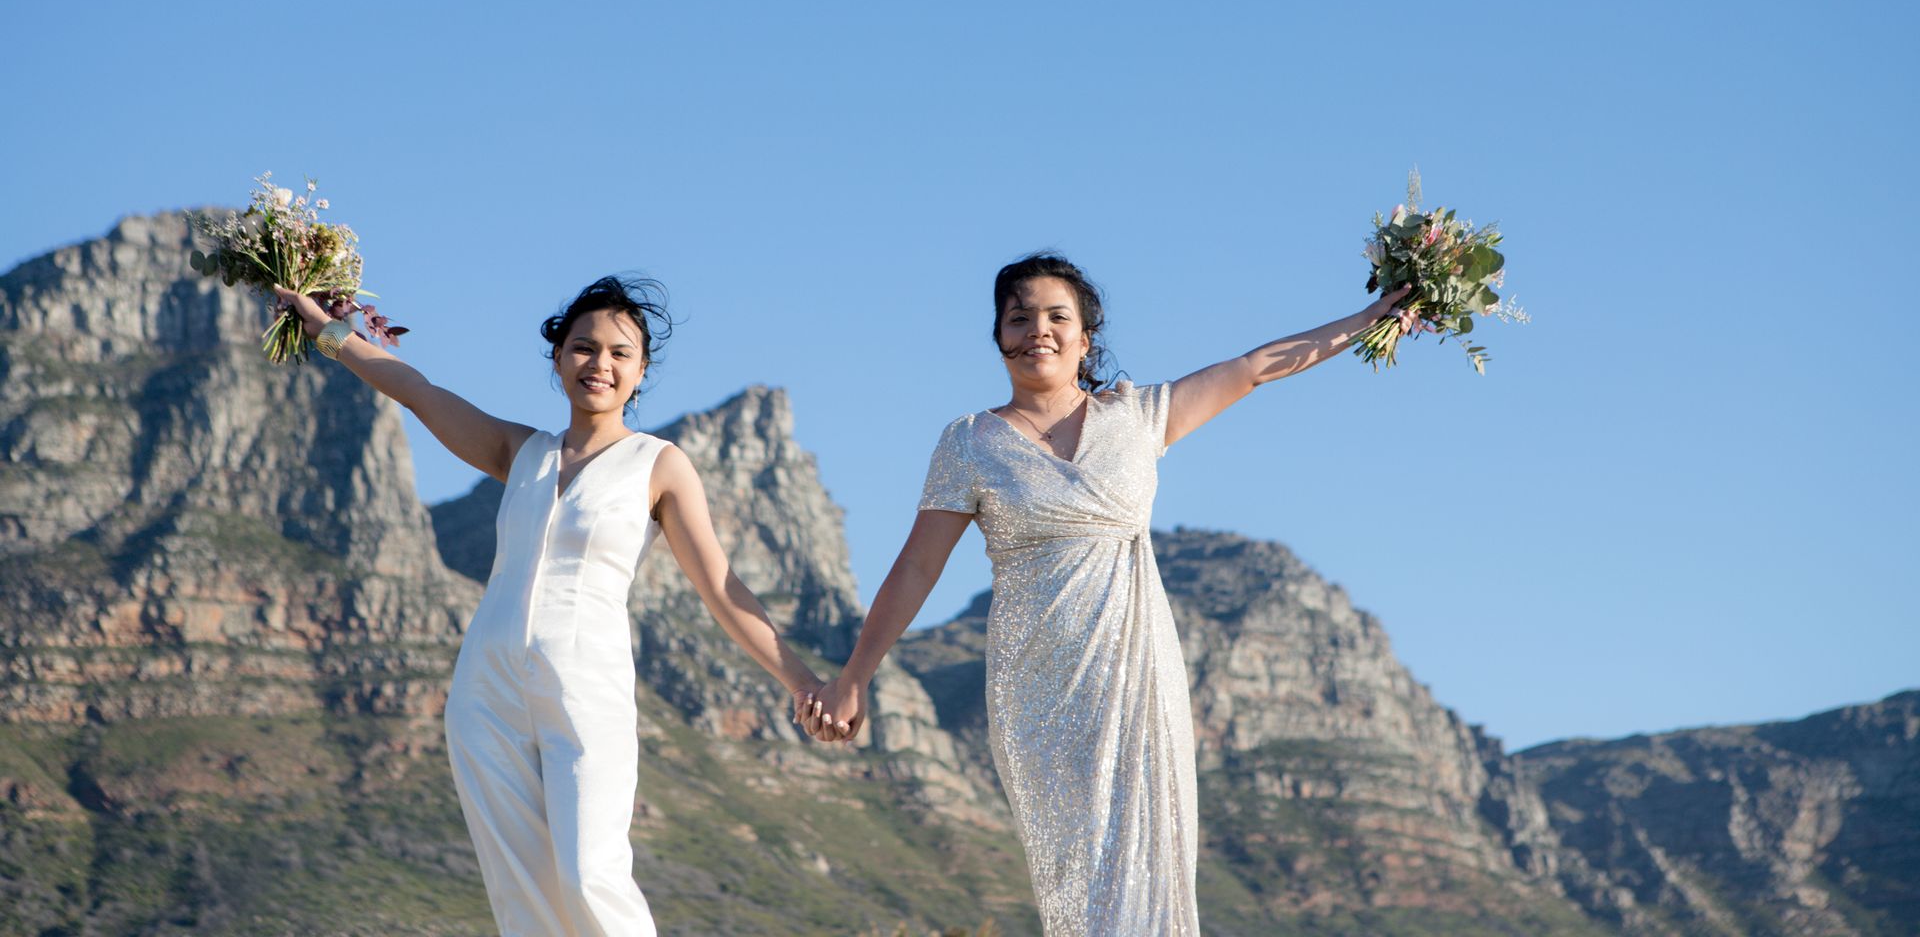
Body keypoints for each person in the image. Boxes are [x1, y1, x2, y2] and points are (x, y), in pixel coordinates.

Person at [808, 254, 1412, 936]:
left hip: (1140, 678)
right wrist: (855, 676)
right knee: (1082, 881)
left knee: (1146, 875)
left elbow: (1255, 367)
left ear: (1085, 338)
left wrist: (1368, 320)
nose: (1039, 329)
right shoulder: (970, 443)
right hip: (1039, 691)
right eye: (1020, 317)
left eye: (1057, 316)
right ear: (1000, 337)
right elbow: (917, 567)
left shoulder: (1137, 417)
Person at [273, 275, 834, 937]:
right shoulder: (522, 451)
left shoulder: (658, 464)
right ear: (558, 357)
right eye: (583, 347)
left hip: (586, 684)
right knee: (522, 894)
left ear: (641, 370)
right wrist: (325, 330)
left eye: (620, 353)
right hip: (486, 689)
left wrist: (801, 680)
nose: (599, 364)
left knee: (588, 873)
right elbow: (418, 392)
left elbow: (720, 584)